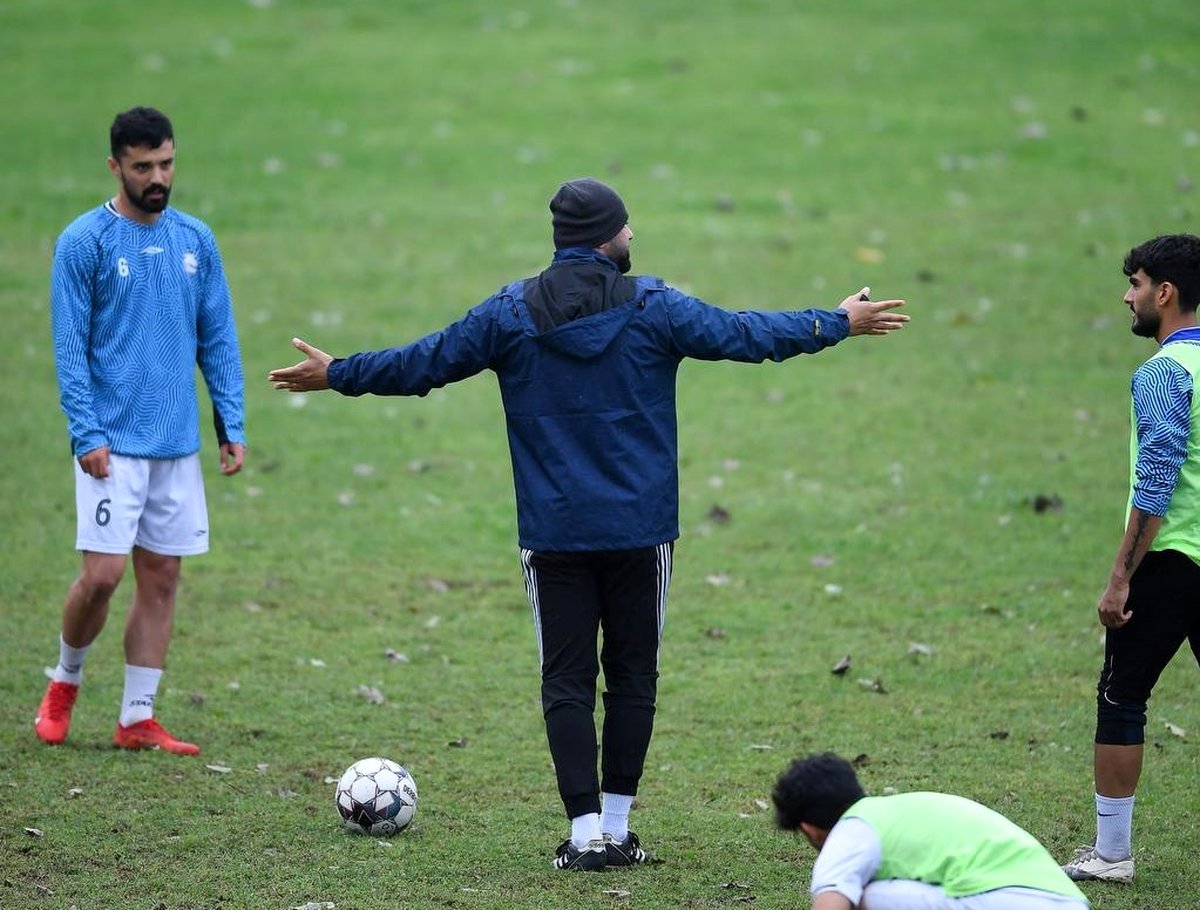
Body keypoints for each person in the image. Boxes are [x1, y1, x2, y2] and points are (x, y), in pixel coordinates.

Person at [268, 177, 908, 870]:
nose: (633, 237)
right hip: (641, 530)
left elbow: (425, 362)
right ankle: (619, 829)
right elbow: (746, 335)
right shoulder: (655, 306)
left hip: (554, 535)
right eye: (627, 228)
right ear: (606, 236)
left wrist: (340, 374)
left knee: (566, 680)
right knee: (634, 676)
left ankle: (582, 839)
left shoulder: (508, 313)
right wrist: (836, 321)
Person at [35, 106, 246, 757]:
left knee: (161, 578)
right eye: (144, 167)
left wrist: (229, 422)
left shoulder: (195, 241)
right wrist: (86, 432)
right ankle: (65, 679)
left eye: (167, 164)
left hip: (176, 445)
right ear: (116, 166)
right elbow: (70, 349)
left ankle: (137, 717)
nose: (159, 177)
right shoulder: (83, 243)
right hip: (110, 446)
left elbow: (218, 336)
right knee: (101, 577)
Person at [1060, 233, 1200, 884]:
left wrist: (1120, 575)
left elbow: (1158, 474)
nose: (1128, 295)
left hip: (1170, 561)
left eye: (1136, 284)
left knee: (1121, 697)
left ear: (1164, 294)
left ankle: (1112, 853)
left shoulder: (1164, 374)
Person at [774, 753, 1090, 909]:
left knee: (863, 897)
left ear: (809, 829)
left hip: (1003, 901)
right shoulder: (906, 808)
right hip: (1068, 901)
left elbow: (831, 901)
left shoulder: (851, 830)